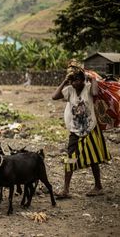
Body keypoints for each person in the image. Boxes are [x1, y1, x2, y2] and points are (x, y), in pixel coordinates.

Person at [52, 66, 111, 199]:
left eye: (78, 80)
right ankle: (65, 190)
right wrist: (64, 81)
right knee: (70, 159)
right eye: (73, 81)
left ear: (83, 80)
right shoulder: (70, 90)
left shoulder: (88, 88)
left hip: (90, 129)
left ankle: (98, 186)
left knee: (93, 158)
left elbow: (95, 93)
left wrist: (92, 79)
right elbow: (54, 96)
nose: (76, 83)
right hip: (75, 130)